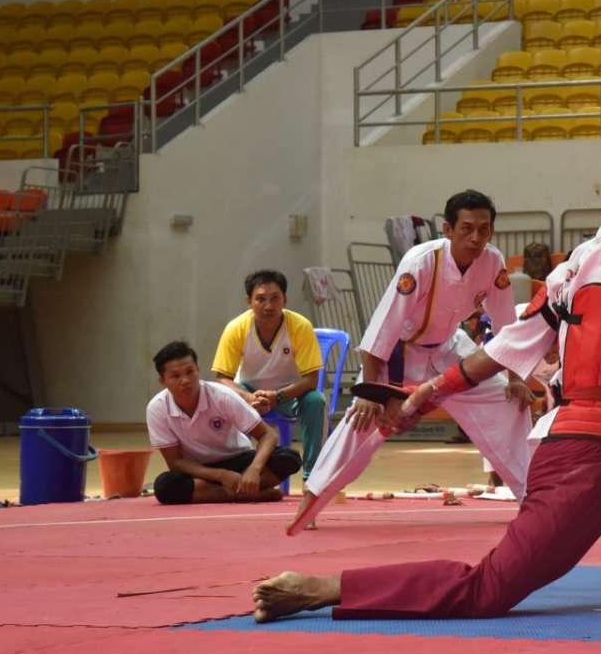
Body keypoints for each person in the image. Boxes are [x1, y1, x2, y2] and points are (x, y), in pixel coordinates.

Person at [251, 86, 601, 623]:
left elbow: (491, 355)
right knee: (486, 590)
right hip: (583, 455)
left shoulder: (568, 277)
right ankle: (327, 587)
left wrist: (425, 393)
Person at [288, 189, 531, 532]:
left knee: (509, 401)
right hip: (400, 352)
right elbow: (382, 330)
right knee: (361, 420)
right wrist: (372, 393)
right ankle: (312, 497)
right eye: (467, 228)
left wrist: (516, 378)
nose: (476, 238)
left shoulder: (493, 261)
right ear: (448, 229)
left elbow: (507, 324)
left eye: (484, 229)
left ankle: (533, 498)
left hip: (449, 348)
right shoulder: (421, 262)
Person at [148, 341, 301, 505]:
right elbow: (176, 462)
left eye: (190, 372)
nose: (185, 380)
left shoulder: (222, 396)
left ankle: (225, 491)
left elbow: (268, 435)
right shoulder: (157, 408)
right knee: (165, 486)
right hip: (200, 471)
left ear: (198, 370)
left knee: (288, 457)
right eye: (175, 376)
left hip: (238, 460)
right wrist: (220, 475)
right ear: (162, 380)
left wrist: (254, 469)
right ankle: (251, 494)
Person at [212, 270, 326, 480]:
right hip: (249, 393)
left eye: (275, 298)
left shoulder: (300, 326)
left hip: (289, 395)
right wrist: (248, 397)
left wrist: (278, 396)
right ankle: (239, 470)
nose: (268, 306)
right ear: (249, 301)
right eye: (260, 299)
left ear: (285, 300)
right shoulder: (236, 328)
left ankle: (312, 476)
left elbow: (311, 380)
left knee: (316, 401)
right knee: (226, 398)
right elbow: (222, 378)